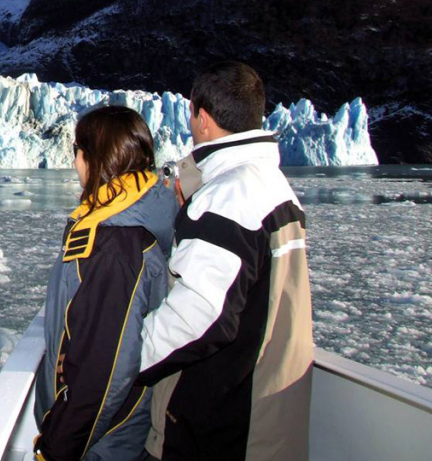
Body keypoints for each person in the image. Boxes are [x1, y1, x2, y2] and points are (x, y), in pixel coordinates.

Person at [137, 62, 314, 461]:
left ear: (202, 118)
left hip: (220, 429)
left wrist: (122, 359)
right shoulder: (271, 185)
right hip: (263, 414)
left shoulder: (229, 197)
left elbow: (199, 316)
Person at [33, 105, 179, 461]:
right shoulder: (120, 227)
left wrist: (57, 448)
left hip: (104, 443)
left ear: (96, 157)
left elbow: (105, 369)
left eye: (77, 150)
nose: (74, 162)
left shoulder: (116, 245)